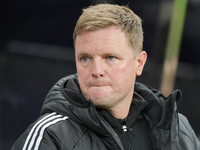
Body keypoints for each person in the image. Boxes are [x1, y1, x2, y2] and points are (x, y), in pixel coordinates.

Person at [11, 4, 200, 150]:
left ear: (139, 63)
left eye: (110, 58)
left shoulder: (177, 128)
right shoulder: (50, 136)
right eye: (85, 58)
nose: (96, 70)